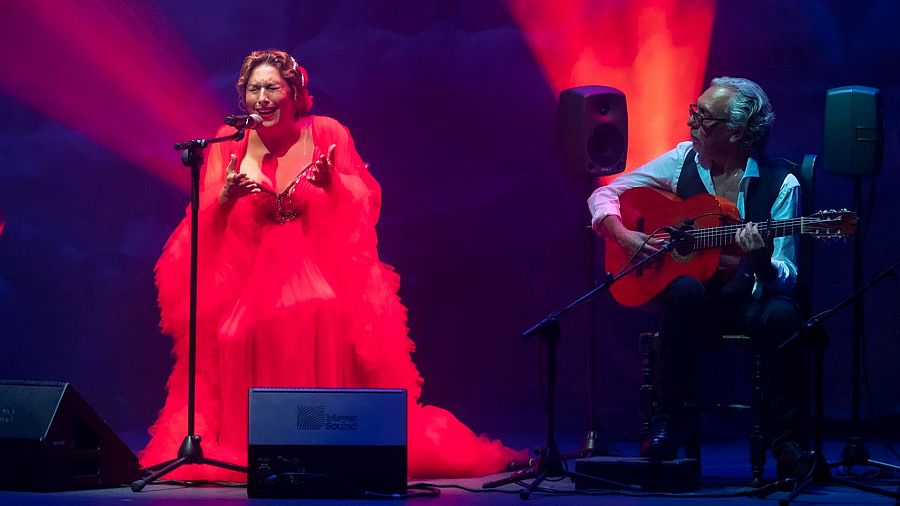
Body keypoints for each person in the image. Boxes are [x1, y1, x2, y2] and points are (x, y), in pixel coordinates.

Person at [140, 48, 521, 481]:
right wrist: (228, 197)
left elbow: (366, 201)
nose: (262, 97)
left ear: (294, 91)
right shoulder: (230, 139)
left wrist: (331, 184)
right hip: (249, 269)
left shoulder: (325, 132)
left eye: (271, 87)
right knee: (234, 331)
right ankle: (250, 443)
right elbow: (205, 214)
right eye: (253, 89)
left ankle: (324, 443)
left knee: (320, 309)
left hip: (313, 260)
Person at [588, 77, 812, 478]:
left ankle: (786, 441)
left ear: (738, 132)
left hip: (750, 305)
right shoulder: (682, 160)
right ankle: (668, 425)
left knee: (785, 313)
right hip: (697, 307)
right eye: (696, 111)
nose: (692, 122)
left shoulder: (783, 183)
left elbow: (787, 275)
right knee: (685, 287)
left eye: (704, 117)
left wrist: (760, 262)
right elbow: (604, 193)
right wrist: (625, 236)